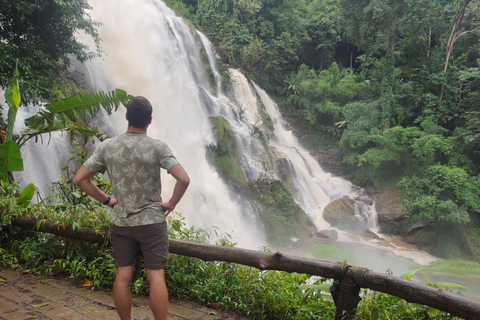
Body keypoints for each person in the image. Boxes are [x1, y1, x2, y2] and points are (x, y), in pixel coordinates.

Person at [73, 96, 190, 320]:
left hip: (122, 222)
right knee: (156, 278)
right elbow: (184, 179)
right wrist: (171, 203)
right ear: (150, 121)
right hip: (152, 222)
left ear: (126, 117)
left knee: (122, 276)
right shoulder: (158, 147)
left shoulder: (108, 147)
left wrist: (107, 200)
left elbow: (80, 180)